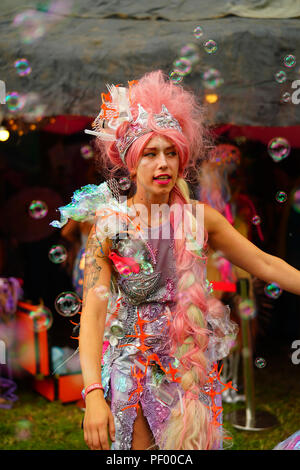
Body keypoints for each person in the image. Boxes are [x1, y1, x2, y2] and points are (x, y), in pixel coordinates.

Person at [51, 71, 300, 451]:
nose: (162, 163)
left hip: (189, 368)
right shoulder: (110, 225)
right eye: (150, 154)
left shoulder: (201, 218)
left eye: (171, 153)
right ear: (131, 164)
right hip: (128, 369)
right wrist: (93, 394)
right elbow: (93, 316)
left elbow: (266, 265)